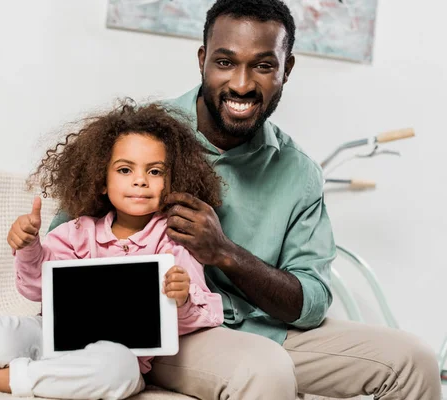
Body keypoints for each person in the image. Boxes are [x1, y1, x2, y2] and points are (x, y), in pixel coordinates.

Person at [49, 1, 443, 399]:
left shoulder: (299, 173)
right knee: (263, 369)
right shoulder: (142, 138)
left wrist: (225, 253)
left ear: (286, 69)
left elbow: (311, 303)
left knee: (414, 360)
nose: (241, 84)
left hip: (264, 329)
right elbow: (63, 252)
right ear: (202, 60)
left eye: (263, 65)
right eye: (225, 62)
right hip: (169, 333)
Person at [0, 101, 225, 399]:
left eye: (154, 171)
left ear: (172, 180)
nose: (140, 180)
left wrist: (181, 299)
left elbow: (208, 312)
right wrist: (29, 247)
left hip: (119, 356)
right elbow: (34, 288)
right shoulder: (78, 232)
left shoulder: (174, 240)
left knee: (118, 374)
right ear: (101, 181)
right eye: (125, 170)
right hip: (49, 335)